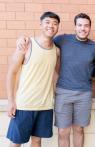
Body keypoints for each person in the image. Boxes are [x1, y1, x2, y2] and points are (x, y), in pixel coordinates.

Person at [16, 13, 95, 147]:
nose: (83, 28)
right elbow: (43, 40)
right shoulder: (63, 40)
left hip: (84, 93)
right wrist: (23, 38)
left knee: (79, 129)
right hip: (63, 92)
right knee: (63, 131)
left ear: (90, 27)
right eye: (80, 25)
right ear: (75, 27)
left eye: (86, 26)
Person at [6, 11, 60, 147]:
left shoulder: (56, 51)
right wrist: (11, 101)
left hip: (45, 105)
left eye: (55, 23)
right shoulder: (27, 45)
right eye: (47, 22)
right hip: (24, 105)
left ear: (58, 27)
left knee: (37, 141)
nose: (51, 26)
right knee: (16, 142)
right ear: (41, 24)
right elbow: (11, 73)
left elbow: (54, 75)